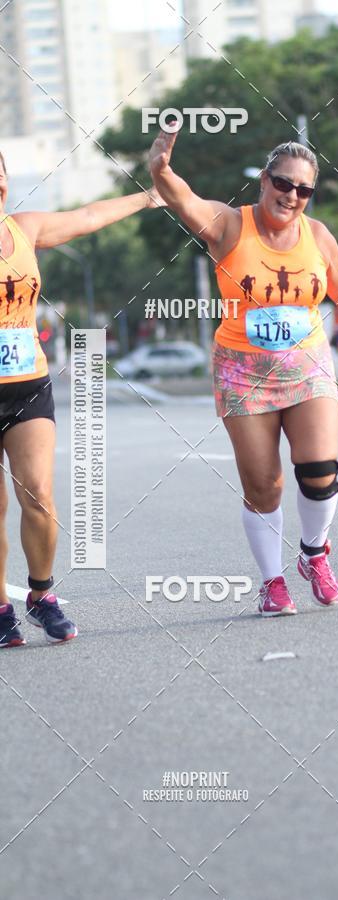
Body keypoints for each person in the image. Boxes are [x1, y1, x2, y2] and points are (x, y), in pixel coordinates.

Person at [149, 131, 338, 616]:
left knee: (320, 471)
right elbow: (182, 199)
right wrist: (161, 170)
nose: (291, 196)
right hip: (241, 372)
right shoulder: (230, 225)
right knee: (264, 485)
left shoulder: (317, 235)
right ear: (264, 182)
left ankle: (314, 554)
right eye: (283, 183)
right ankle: (272, 582)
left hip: (307, 366)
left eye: (303, 190)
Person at [0, 152, 164, 647]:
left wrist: (148, 195)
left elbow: (88, 217)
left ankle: (41, 595)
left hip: (27, 384)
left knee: (38, 495)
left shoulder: (24, 230)